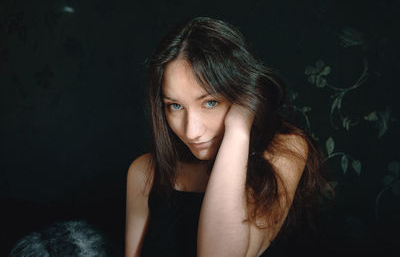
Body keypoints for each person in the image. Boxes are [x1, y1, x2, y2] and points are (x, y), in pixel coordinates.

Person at [125, 17, 327, 257]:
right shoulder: (144, 172)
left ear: (241, 95)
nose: (192, 131)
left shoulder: (286, 148)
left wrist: (239, 128)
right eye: (175, 106)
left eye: (210, 102)